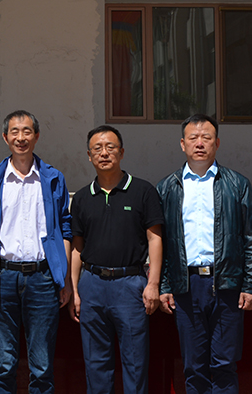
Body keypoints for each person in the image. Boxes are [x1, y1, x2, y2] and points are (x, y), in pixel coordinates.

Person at [156, 114, 252, 394]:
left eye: (206, 138)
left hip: (226, 284)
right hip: (186, 286)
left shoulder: (237, 184)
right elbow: (162, 243)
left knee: (224, 364)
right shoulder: (167, 187)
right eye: (193, 138)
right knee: (193, 366)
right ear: (183, 144)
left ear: (217, 143)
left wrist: (250, 285)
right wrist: (164, 285)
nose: (200, 143)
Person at [0, 110, 73, 394]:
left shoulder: (52, 178)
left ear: (36, 136)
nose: (21, 138)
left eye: (27, 131)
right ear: (5, 137)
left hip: (43, 278)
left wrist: (64, 278)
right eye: (15, 132)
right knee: (4, 363)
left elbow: (65, 229)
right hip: (3, 277)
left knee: (41, 365)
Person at [68, 125, 163, 394]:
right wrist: (74, 289)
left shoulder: (143, 191)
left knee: (135, 362)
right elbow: (77, 248)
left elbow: (155, 239)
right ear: (89, 156)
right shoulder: (82, 197)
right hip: (92, 285)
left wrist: (153, 284)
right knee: (95, 363)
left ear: (121, 152)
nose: (104, 153)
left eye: (110, 147)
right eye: (97, 148)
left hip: (130, 284)